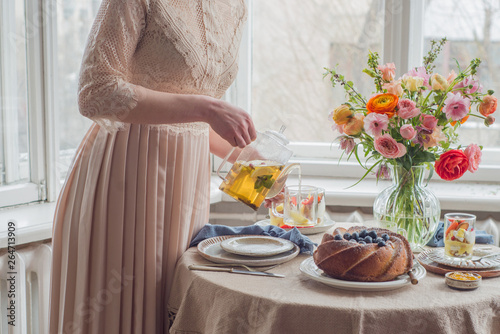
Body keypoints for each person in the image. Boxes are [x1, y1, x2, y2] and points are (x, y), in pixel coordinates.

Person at [49, 0, 256, 333]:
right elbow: (94, 91)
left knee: (171, 313)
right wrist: (206, 108)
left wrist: (249, 159)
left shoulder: (236, 6)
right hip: (124, 180)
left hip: (186, 191)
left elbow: (196, 121)